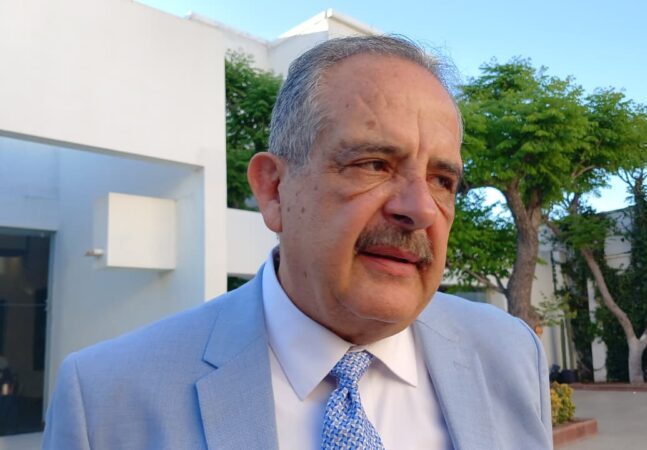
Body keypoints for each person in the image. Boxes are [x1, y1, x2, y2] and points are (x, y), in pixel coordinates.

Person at [42, 36, 552, 449]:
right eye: (374, 164)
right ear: (273, 190)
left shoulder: (510, 352)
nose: (419, 209)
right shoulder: (106, 400)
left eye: (442, 180)